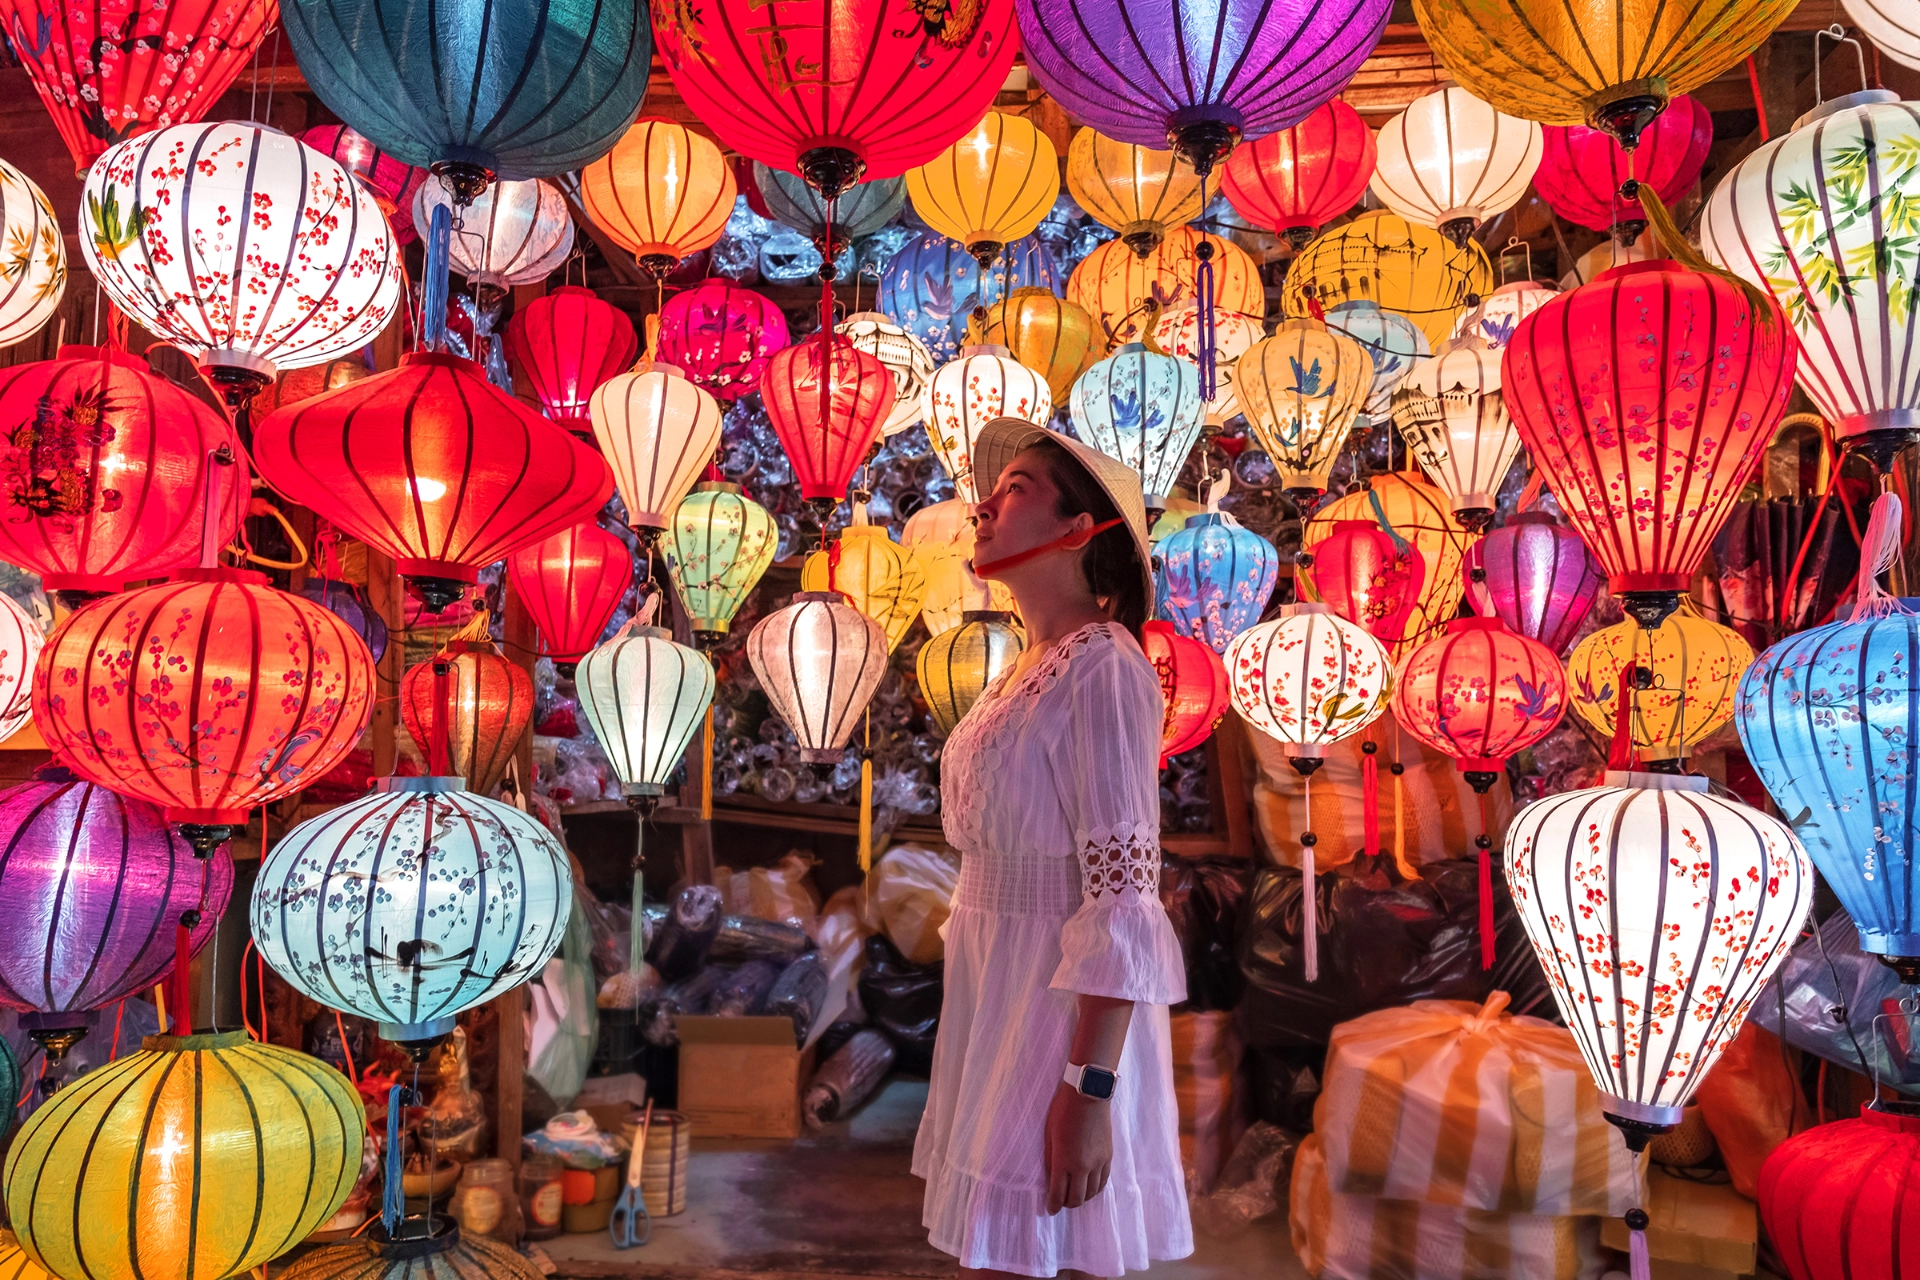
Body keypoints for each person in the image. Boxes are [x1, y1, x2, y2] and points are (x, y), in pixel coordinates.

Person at [913, 416, 1191, 1278]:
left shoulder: (1103, 666)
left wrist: (1089, 1089)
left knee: (1037, 1242)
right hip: (996, 992)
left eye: (1016, 491)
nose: (983, 508)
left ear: (1078, 531)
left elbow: (1122, 897)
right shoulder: (1028, 666)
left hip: (1056, 1010)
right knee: (1010, 1249)